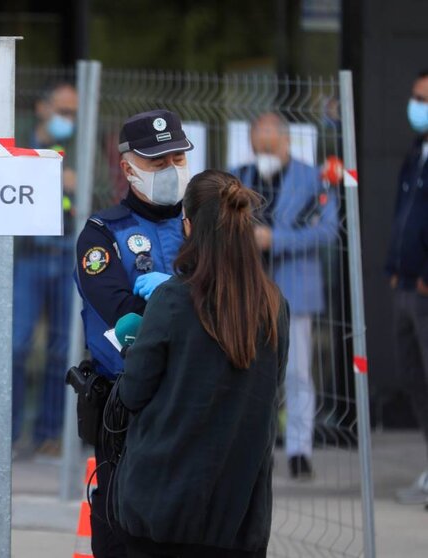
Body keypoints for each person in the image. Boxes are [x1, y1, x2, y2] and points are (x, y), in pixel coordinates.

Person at [113, 170, 289, 558]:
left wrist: (133, 343)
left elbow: (133, 392)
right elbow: (269, 387)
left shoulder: (173, 300)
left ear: (188, 226)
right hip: (241, 518)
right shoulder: (273, 306)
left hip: (164, 513)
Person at [75, 109, 193, 557]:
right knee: (122, 527)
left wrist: (177, 291)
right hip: (126, 406)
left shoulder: (202, 224)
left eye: (177, 159)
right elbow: (121, 311)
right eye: (157, 162)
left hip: (192, 396)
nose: (170, 170)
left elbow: (234, 296)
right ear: (128, 168)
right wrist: (194, 294)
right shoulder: (102, 234)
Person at [232, 112, 338, 480]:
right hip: (247, 292)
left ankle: (298, 450)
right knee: (248, 371)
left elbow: (328, 231)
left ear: (286, 142)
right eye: (258, 144)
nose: (264, 150)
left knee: (297, 373)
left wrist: (277, 240)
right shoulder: (239, 177)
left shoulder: (313, 178)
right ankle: (253, 449)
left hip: (295, 290)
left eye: (271, 144)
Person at [12, 82, 78, 457]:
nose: (67, 119)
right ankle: (6, 432)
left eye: (72, 113)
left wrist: (80, 185)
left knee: (61, 348)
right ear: (42, 107)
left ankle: (50, 434)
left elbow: (105, 188)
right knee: (17, 345)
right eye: (62, 110)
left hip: (67, 252)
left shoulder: (81, 147)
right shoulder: (18, 142)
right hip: (30, 255)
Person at [387, 69, 428, 507]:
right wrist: (394, 269)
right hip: (404, 283)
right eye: (416, 96)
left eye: (424, 99)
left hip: (424, 288)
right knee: (414, 378)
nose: (416, 106)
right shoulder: (415, 154)